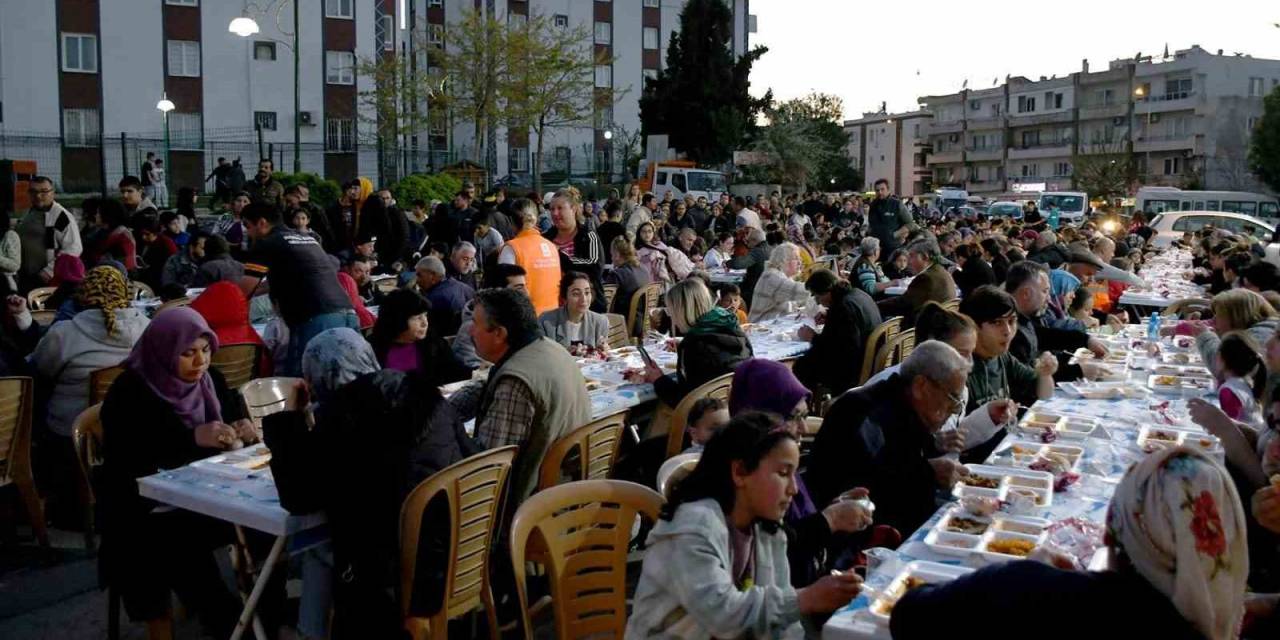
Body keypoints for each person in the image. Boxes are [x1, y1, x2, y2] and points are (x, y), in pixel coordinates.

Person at [891, 447, 1248, 640]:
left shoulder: (1032, 592)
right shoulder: (1224, 618)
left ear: (1118, 526)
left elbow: (910, 616)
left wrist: (1028, 572)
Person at [264, 328, 479, 637]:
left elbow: (299, 497)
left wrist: (292, 419)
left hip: (393, 573)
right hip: (459, 546)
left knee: (315, 546)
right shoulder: (424, 394)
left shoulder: (345, 413)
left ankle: (309, 632)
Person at [626, 412, 864, 639]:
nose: (793, 488)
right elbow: (722, 615)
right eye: (782, 473)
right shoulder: (693, 525)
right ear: (739, 471)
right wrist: (805, 599)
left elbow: (785, 625)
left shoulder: (767, 529)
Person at [99, 307, 257, 639]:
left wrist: (241, 430)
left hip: (208, 495)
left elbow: (227, 421)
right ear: (165, 351)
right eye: (187, 354)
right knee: (179, 545)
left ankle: (262, 611)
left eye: (205, 350)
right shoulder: (130, 393)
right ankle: (232, 623)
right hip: (142, 509)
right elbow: (129, 463)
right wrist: (192, 439)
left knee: (263, 531)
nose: (199, 362)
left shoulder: (210, 380)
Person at [806, 341, 972, 534]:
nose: (955, 410)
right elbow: (867, 488)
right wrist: (926, 473)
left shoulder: (906, 407)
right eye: (952, 399)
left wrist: (934, 446)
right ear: (921, 386)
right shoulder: (863, 414)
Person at [447, 287, 590, 505]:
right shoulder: (548, 348)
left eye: (475, 324)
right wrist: (439, 411)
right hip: (567, 486)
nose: (469, 332)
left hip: (532, 506)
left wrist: (447, 433)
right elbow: (486, 386)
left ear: (499, 334)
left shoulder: (515, 382)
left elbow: (489, 465)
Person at [239, 203, 357, 375]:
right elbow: (301, 275)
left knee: (302, 381)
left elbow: (244, 290)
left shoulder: (266, 243)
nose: (248, 233)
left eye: (248, 226)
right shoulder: (307, 238)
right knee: (344, 380)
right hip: (346, 312)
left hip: (315, 318)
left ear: (262, 223)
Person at [641, 278, 753, 407]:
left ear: (681, 311)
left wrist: (658, 379)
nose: (671, 316)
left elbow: (684, 401)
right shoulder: (733, 327)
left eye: (671, 310)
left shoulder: (694, 346)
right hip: (739, 404)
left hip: (709, 416)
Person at [1005, 260, 1106, 380]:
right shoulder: (1008, 327)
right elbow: (1026, 378)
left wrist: (1086, 340)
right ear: (1026, 293)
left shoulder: (1024, 318)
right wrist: (1078, 371)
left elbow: (1045, 335)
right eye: (1044, 291)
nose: (1049, 298)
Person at [792, 269, 882, 395]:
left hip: (852, 369)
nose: (818, 302)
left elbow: (840, 349)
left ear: (827, 292)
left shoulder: (842, 308)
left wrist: (812, 337)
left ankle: (804, 405)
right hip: (869, 358)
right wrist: (829, 316)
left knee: (800, 366)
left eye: (817, 296)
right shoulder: (857, 294)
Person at [368, 288, 470, 386]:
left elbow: (456, 372)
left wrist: (476, 372)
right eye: (417, 318)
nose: (425, 323)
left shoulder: (433, 343)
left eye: (425, 316)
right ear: (399, 320)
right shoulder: (373, 348)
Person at [544, 188, 606, 312]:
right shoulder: (545, 239)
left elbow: (595, 267)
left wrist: (559, 255)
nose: (555, 213)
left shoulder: (588, 235)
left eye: (560, 208)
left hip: (586, 307)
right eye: (552, 209)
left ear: (573, 209)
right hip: (552, 306)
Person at [453, 264, 527, 368]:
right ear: (498, 291)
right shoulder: (472, 327)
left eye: (525, 286)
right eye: (519, 288)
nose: (526, 293)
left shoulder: (522, 321)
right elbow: (471, 368)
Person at [498, 198, 562, 315]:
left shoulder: (511, 248)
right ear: (536, 219)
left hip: (525, 320)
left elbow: (503, 291)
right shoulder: (552, 247)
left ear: (512, 221)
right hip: (553, 320)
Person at [17, 175, 80, 291]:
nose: (38, 196)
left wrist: (49, 271)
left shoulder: (61, 216)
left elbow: (73, 248)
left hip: (47, 280)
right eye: (33, 191)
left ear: (53, 192)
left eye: (44, 192)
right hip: (25, 276)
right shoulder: (29, 213)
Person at [877, 237, 957, 327]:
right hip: (941, 326)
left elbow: (903, 303)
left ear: (925, 257)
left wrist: (875, 306)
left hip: (928, 330)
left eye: (911, 256)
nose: (909, 261)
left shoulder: (926, 278)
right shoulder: (940, 271)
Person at [537, 271, 610, 351]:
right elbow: (542, 355)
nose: (583, 299)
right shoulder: (546, 322)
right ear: (565, 297)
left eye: (587, 293)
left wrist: (604, 350)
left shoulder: (600, 322)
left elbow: (603, 357)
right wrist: (567, 355)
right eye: (576, 294)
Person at [411, 256, 474, 338]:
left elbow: (427, 333)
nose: (417, 280)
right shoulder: (466, 288)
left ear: (432, 276)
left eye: (419, 275)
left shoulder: (433, 299)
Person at [747, 243, 811, 322]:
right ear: (784, 260)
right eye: (796, 258)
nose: (800, 262)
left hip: (773, 325)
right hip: (759, 327)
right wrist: (825, 286)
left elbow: (799, 301)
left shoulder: (784, 276)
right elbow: (802, 291)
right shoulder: (772, 276)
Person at [603, 236, 651, 334]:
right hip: (642, 323)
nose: (611, 258)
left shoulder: (617, 275)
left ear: (616, 254)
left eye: (612, 254)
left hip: (623, 326)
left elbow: (605, 303)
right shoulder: (644, 270)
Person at [867, 179, 915, 259]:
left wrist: (895, 234)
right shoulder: (873, 205)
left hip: (893, 247)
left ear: (888, 190)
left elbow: (910, 224)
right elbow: (871, 223)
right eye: (877, 190)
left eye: (882, 189)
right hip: (876, 247)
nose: (880, 192)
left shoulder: (897, 204)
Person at [323, 180, 363, 254]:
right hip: (336, 244)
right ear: (347, 191)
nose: (355, 192)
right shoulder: (332, 207)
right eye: (352, 189)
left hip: (352, 244)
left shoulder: (356, 207)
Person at [137, 219, 178, 290]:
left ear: (155, 233)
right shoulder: (144, 243)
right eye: (142, 234)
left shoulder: (167, 243)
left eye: (147, 234)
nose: (143, 237)